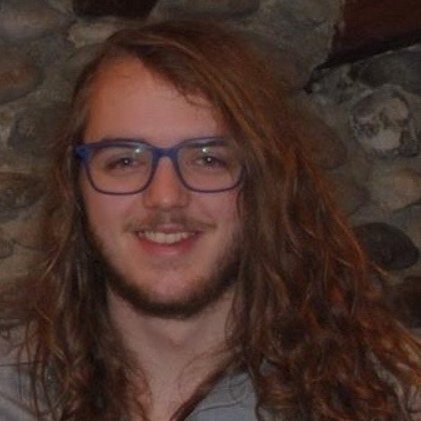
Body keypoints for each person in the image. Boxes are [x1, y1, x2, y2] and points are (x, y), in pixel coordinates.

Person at [0, 18, 421, 421]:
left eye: (207, 159)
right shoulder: (11, 395)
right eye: (125, 160)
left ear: (265, 183)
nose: (165, 197)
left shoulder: (388, 400)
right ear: (75, 186)